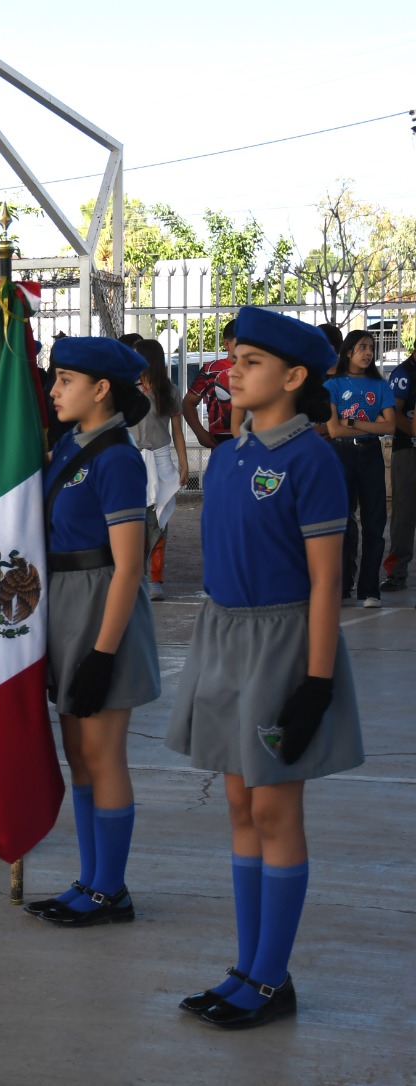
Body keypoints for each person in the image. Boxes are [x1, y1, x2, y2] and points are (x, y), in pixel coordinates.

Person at [166, 307, 362, 1030]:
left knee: (276, 810)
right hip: (224, 637)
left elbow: (326, 581)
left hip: (283, 645)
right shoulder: (229, 456)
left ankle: (272, 978)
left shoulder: (310, 459)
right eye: (234, 359)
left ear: (293, 376)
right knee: (240, 806)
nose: (233, 371)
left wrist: (316, 683)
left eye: (250, 362)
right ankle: (247, 966)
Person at [24, 336, 160, 926]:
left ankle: (111, 890)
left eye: (65, 381)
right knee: (77, 753)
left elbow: (129, 566)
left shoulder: (117, 458)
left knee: (103, 755)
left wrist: (103, 654)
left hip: (102, 607)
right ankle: (90, 878)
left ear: (102, 389)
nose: (53, 391)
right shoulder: (67, 447)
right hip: (63, 603)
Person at [322, 329, 396, 606]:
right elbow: (334, 430)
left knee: (374, 523)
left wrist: (352, 422)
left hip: (371, 453)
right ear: (348, 351)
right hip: (341, 454)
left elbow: (390, 426)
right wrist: (371, 425)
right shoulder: (333, 385)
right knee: (341, 521)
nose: (368, 353)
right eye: (362, 347)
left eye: (371, 348)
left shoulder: (380, 385)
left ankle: (369, 590)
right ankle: (341, 587)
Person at [131, 339, 189, 601]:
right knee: (133, 521)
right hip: (132, 460)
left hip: (161, 458)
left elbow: (177, 432)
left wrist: (184, 464)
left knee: (159, 520)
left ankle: (156, 579)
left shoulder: (170, 391)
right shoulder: (127, 389)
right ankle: (135, 576)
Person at [383, 349, 416, 592]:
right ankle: (396, 573)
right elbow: (393, 414)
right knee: (404, 513)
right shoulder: (404, 373)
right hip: (408, 450)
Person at [183, 320, 241, 449]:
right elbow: (188, 403)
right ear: (227, 344)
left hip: (253, 441)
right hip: (220, 444)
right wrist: (200, 433)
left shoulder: (260, 371)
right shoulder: (209, 370)